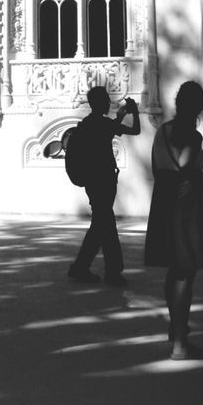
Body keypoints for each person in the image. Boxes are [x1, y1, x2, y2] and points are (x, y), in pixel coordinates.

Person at [144, 81, 203, 360]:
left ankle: (177, 329)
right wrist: (192, 181)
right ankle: (180, 342)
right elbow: (186, 163)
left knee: (174, 270)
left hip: (164, 200)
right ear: (199, 106)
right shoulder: (192, 135)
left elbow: (157, 167)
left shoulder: (162, 131)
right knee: (185, 272)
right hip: (184, 207)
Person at [67, 85, 140, 287]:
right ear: (101, 103)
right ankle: (110, 272)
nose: (109, 102)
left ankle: (83, 267)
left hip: (92, 182)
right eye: (106, 99)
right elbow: (135, 130)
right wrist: (133, 113)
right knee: (106, 227)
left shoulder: (88, 124)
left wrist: (119, 117)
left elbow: (107, 130)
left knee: (101, 226)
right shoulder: (105, 125)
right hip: (105, 182)